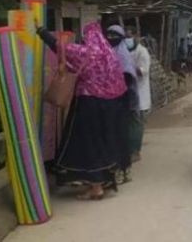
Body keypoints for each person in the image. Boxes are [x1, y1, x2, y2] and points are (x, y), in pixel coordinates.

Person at [36, 22, 127, 200]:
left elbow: (60, 48)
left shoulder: (87, 53)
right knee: (103, 142)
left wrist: (42, 32)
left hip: (88, 104)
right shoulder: (110, 54)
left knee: (88, 144)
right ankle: (102, 181)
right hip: (110, 106)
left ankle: (95, 187)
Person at [105, 25, 137, 184]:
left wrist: (116, 87)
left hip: (122, 100)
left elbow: (128, 78)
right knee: (113, 135)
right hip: (110, 100)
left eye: (114, 34)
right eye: (108, 34)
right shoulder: (108, 54)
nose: (110, 37)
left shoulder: (123, 55)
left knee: (121, 135)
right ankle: (118, 168)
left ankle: (124, 168)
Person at [126, 28, 151, 163]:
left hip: (139, 94)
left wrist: (128, 67)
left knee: (136, 123)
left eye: (129, 36)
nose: (127, 40)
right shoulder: (123, 50)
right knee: (129, 123)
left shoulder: (142, 52)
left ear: (136, 36)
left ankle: (135, 151)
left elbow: (144, 71)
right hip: (127, 93)